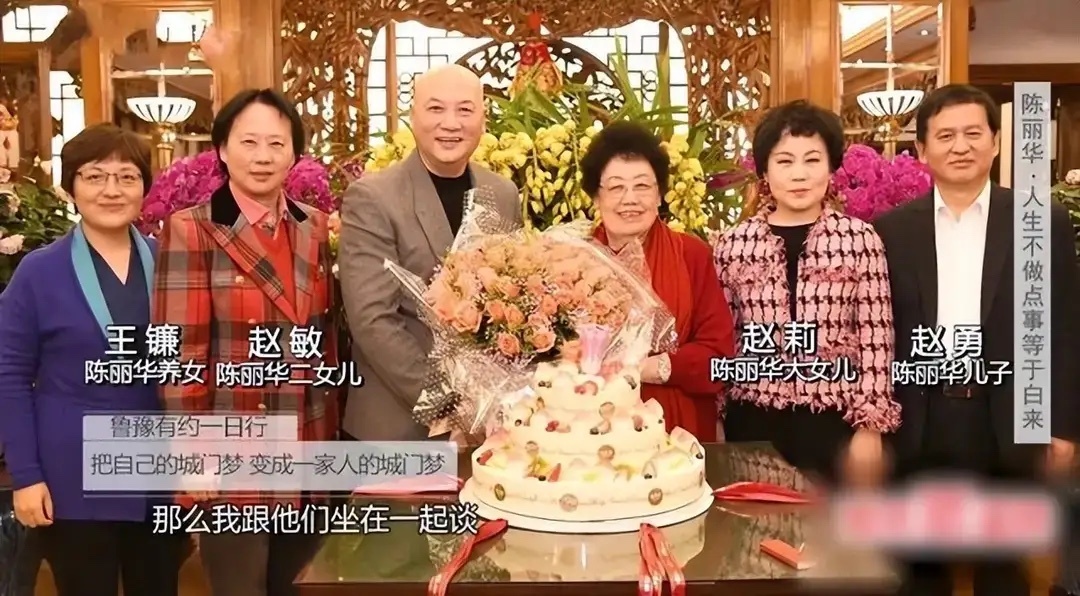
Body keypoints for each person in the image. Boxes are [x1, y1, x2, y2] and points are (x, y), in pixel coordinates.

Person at [873, 84, 1078, 596]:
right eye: (945, 136)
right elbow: (878, 333)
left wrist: (1064, 427)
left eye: (972, 133)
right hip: (920, 419)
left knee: (1003, 571)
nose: (960, 146)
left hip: (1006, 418)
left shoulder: (1041, 222)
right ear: (921, 149)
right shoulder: (890, 231)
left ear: (996, 142)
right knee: (916, 570)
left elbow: (1066, 327)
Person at [152, 89, 339, 596]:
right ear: (222, 149)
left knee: (301, 585)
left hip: (307, 438)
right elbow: (178, 353)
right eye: (249, 142)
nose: (263, 156)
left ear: (294, 154)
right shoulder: (193, 228)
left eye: (276, 143)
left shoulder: (313, 225)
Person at [0, 124, 183, 595]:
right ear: (71, 187)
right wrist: (26, 476)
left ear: (144, 187)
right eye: (95, 176)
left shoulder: (171, 264)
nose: (111, 190)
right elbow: (10, 377)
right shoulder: (39, 271)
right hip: (73, 476)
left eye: (126, 177)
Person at [715, 100, 899, 485]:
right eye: (784, 161)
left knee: (832, 521)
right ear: (764, 171)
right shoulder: (733, 244)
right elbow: (723, 337)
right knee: (756, 521)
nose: (799, 174)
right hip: (753, 417)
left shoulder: (860, 239)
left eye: (812, 160)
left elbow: (876, 336)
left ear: (831, 168)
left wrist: (870, 426)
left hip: (835, 419)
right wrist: (716, 417)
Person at [338, 64, 520, 442]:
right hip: (398, 425)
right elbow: (373, 320)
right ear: (413, 116)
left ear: (483, 118)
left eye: (465, 110)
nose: (450, 123)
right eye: (436, 108)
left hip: (490, 423)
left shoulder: (502, 193)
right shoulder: (374, 197)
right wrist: (450, 406)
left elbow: (512, 300)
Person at [578, 121, 736, 440]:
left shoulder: (691, 254)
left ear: (660, 194)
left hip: (677, 429)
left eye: (642, 186)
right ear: (596, 196)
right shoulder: (574, 259)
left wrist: (643, 369)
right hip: (587, 427)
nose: (630, 199)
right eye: (616, 187)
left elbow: (718, 355)